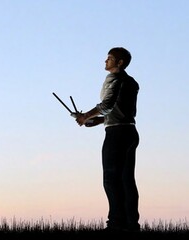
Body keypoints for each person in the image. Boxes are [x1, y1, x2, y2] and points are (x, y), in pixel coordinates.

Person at [74, 47, 140, 232]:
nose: (105, 61)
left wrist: (85, 116)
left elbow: (107, 105)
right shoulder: (131, 82)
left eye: (110, 58)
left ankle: (116, 223)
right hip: (129, 132)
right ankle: (131, 224)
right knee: (127, 180)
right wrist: (95, 121)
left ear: (119, 63)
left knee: (111, 180)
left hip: (116, 135)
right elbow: (121, 111)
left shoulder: (116, 80)